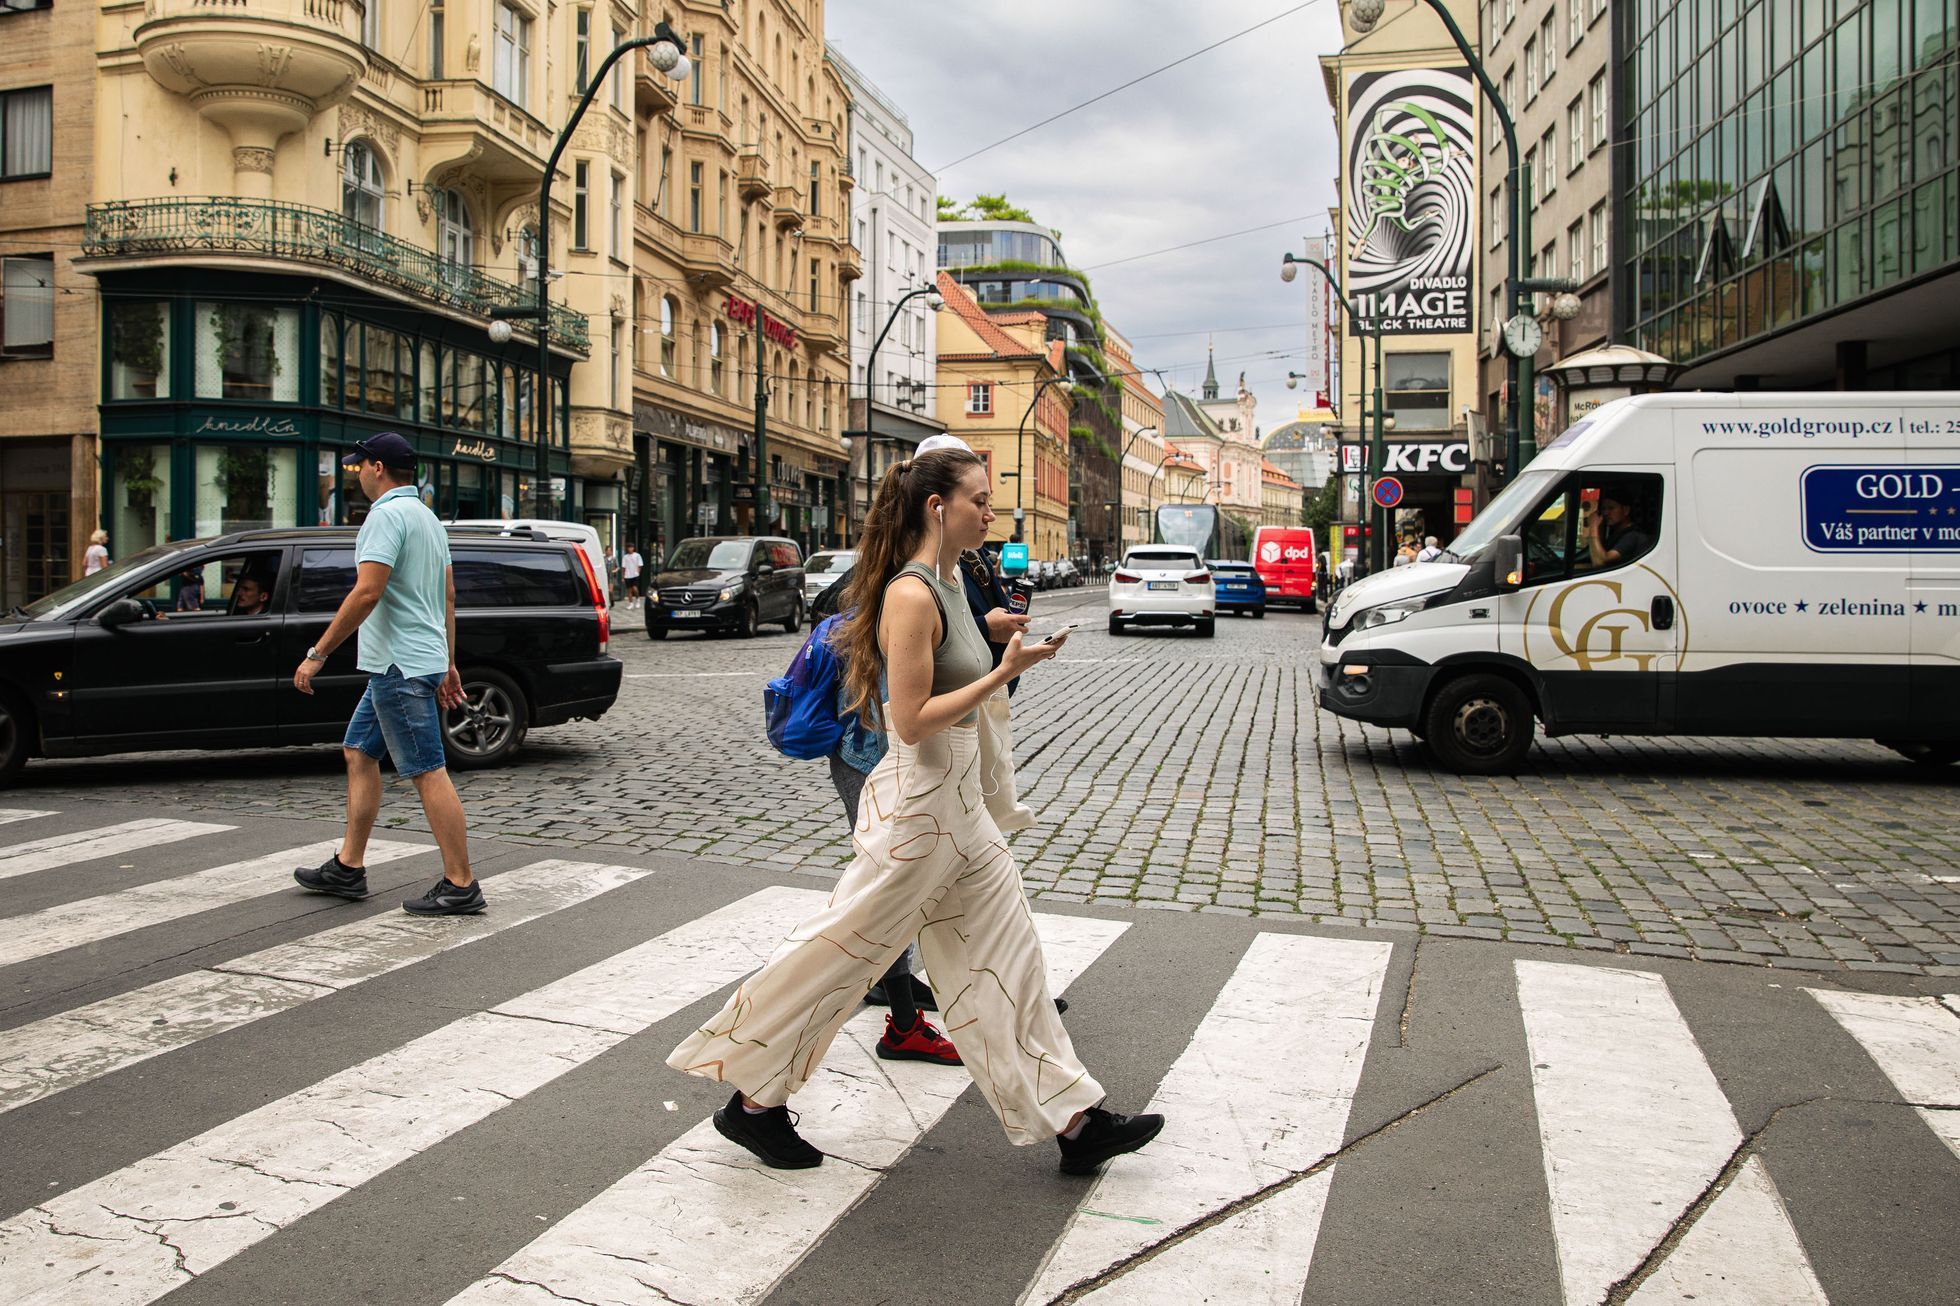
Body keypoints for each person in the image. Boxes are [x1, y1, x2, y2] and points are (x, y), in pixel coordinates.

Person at [670, 448, 1164, 1174]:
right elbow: (910, 717)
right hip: (920, 809)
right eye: (980, 500)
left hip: (963, 807)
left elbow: (959, 659)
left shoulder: (953, 580)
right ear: (938, 507)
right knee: (841, 956)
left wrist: (1010, 644)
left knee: (1009, 962)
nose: (991, 513)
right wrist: (1004, 673)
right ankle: (752, 1103)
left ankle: (1076, 1120)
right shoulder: (909, 593)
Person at [291, 432, 482, 918]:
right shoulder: (427, 518)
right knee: (359, 750)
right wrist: (449, 661)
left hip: (398, 666)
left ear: (378, 467)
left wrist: (318, 652)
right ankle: (347, 866)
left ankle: (461, 883)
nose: (355, 474)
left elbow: (366, 592)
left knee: (426, 770)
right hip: (413, 661)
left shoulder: (385, 517)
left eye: (358, 466)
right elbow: (449, 597)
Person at [1585, 490, 1652, 569]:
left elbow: (1600, 562)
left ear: (1626, 510)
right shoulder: (1616, 534)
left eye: (1611, 508)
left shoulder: (1632, 536)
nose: (1606, 513)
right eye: (1603, 508)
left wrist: (1593, 526)